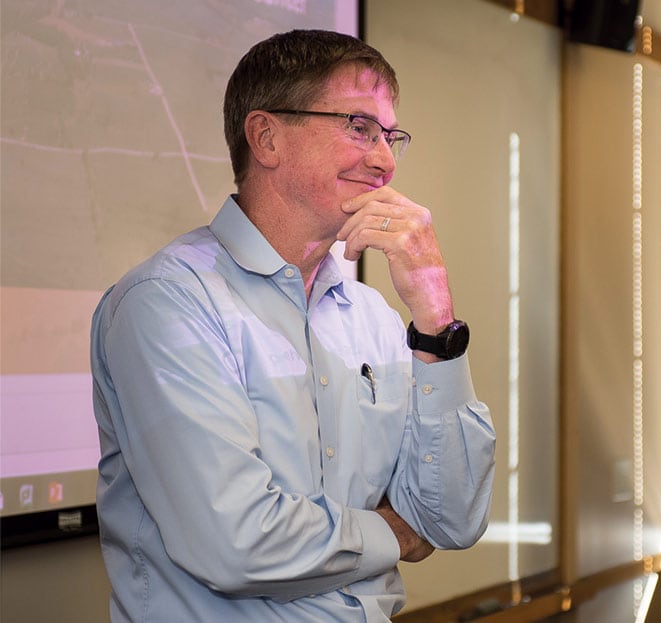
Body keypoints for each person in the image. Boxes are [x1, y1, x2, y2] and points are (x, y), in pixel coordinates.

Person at [90, 29, 495, 622]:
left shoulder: (376, 318)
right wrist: (394, 534)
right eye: (359, 127)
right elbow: (238, 542)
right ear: (266, 137)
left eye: (391, 136)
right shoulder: (167, 303)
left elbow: (454, 518)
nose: (383, 160)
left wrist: (435, 319)